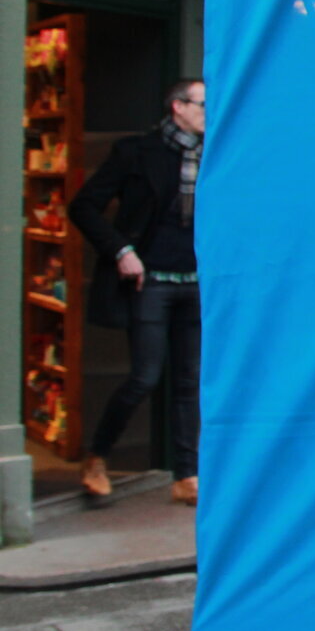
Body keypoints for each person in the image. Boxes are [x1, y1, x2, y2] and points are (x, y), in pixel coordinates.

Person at [72, 79, 205, 507]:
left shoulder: (215, 155)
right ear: (177, 107)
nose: (209, 111)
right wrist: (120, 251)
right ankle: (97, 456)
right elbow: (83, 205)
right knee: (145, 376)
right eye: (203, 103)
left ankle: (186, 475)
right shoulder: (135, 152)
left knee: (188, 381)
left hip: (196, 282)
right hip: (151, 281)